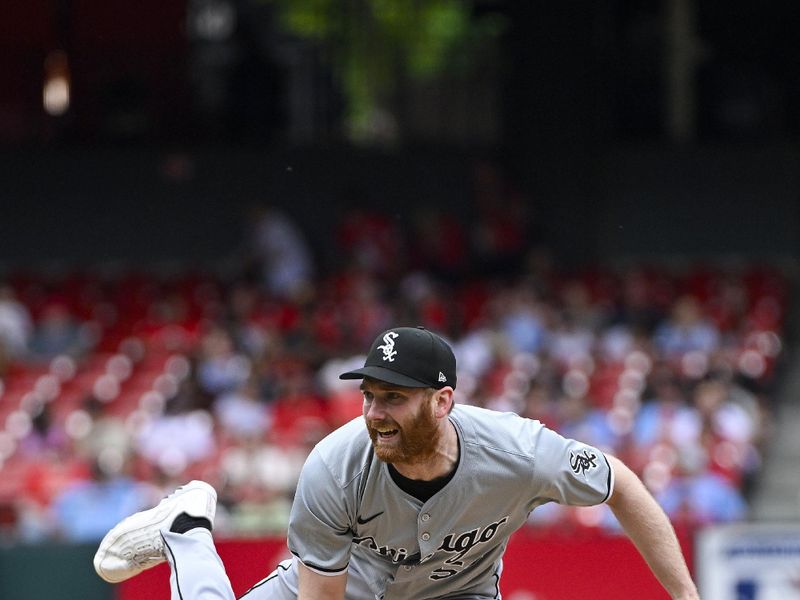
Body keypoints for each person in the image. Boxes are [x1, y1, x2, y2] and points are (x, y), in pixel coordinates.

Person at [93, 326, 700, 599]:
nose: (375, 411)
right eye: (369, 395)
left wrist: (685, 596)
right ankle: (187, 530)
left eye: (394, 397)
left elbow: (619, 482)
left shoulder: (520, 452)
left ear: (442, 401)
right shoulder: (334, 465)